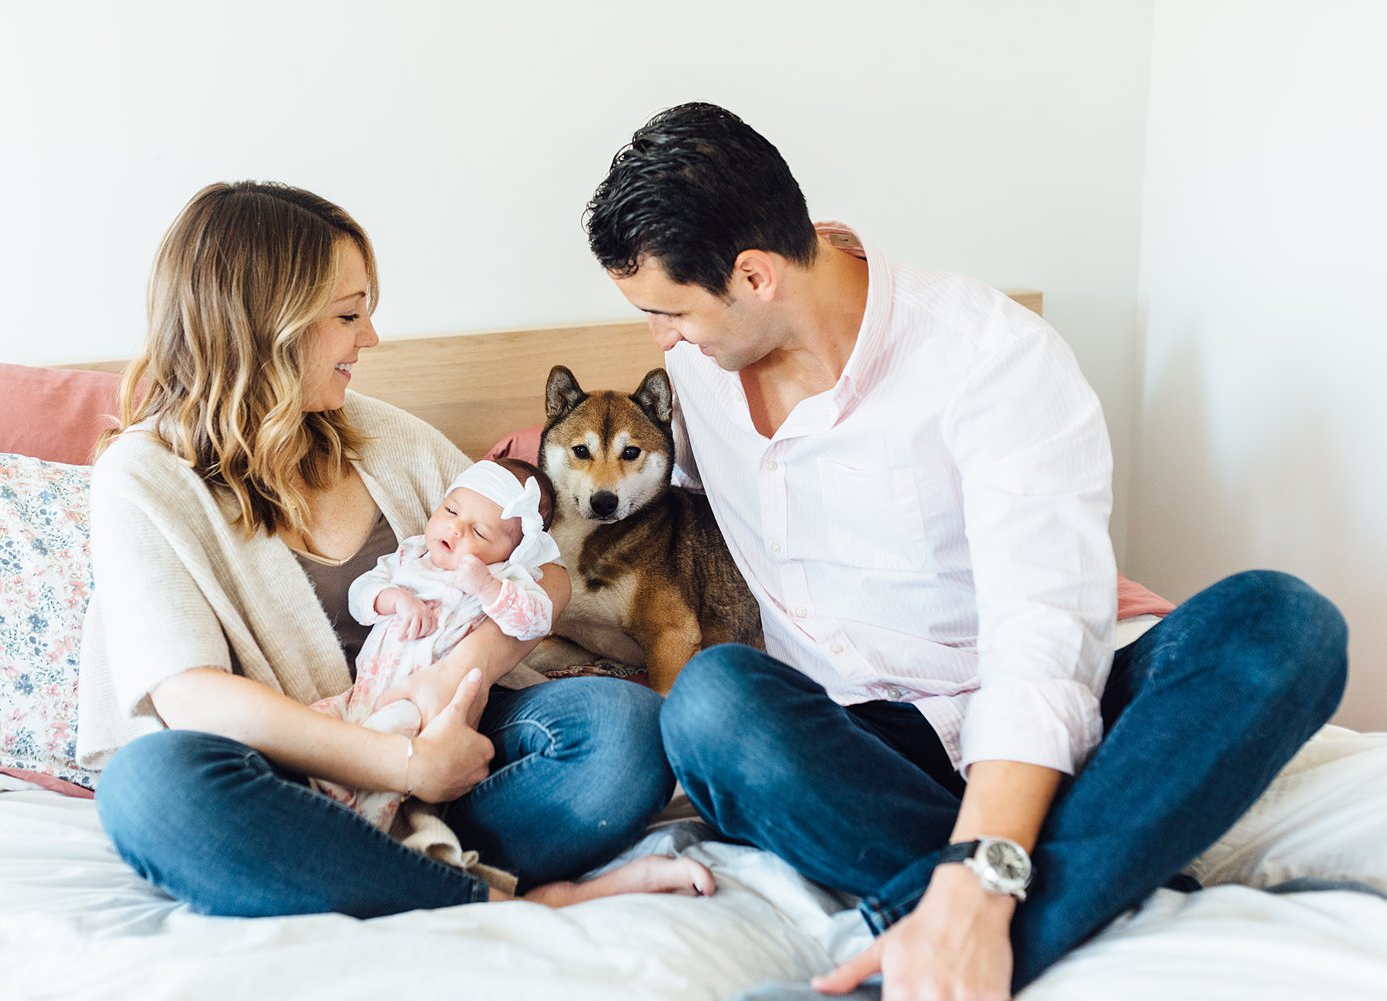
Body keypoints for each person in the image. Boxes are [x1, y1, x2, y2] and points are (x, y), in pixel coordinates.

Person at [583, 103, 1348, 1000]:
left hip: (1043, 706)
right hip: (864, 732)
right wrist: (502, 501)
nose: (660, 339)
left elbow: (1042, 638)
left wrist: (983, 872)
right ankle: (1102, 891)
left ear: (754, 275)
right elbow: (636, 495)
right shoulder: (701, 374)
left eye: (667, 312)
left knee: (1283, 622)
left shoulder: (991, 360)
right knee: (711, 706)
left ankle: (958, 923)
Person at [76, 180, 712, 917]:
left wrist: (456, 680)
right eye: (349, 314)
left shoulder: (385, 436)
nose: (370, 337)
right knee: (151, 788)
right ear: (267, 326)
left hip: (455, 753)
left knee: (626, 729)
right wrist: (403, 761)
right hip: (285, 789)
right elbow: (191, 695)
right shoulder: (142, 475)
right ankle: (502, 897)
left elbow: (541, 569)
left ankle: (390, 874)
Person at [309, 457, 562, 833]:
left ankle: (357, 822)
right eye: (451, 509)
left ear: (514, 552)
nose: (456, 529)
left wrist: (489, 589)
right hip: (365, 689)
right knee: (314, 725)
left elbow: (534, 621)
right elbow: (360, 595)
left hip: (426, 711)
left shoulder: (507, 577)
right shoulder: (410, 555)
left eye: (479, 532)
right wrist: (393, 599)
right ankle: (303, 788)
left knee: (386, 749)